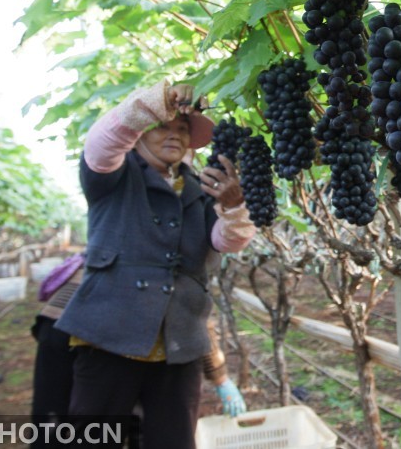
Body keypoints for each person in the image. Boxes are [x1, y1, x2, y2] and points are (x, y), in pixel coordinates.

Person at [54, 81, 257, 449]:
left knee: (175, 441)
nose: (175, 135)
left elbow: (228, 241)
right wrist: (156, 101)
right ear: (141, 133)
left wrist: (233, 206)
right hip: (110, 336)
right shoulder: (112, 173)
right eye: (163, 126)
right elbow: (104, 143)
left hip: (180, 341)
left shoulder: (202, 189)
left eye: (182, 129)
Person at [30, 256, 247, 448]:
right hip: (102, 325)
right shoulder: (171, 262)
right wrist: (220, 378)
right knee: (131, 417)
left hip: (58, 320)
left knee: (54, 416)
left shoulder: (121, 240)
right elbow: (193, 323)